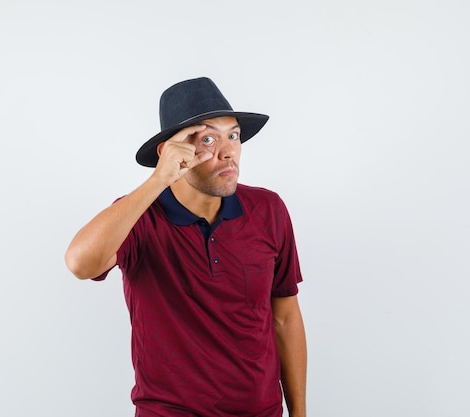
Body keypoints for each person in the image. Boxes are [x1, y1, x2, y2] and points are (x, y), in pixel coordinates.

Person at [65, 77, 307, 417]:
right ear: (169, 151)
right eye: (207, 139)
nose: (228, 152)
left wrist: (299, 412)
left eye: (233, 136)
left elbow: (285, 318)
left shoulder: (268, 209)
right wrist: (159, 179)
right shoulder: (139, 216)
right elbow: (79, 263)